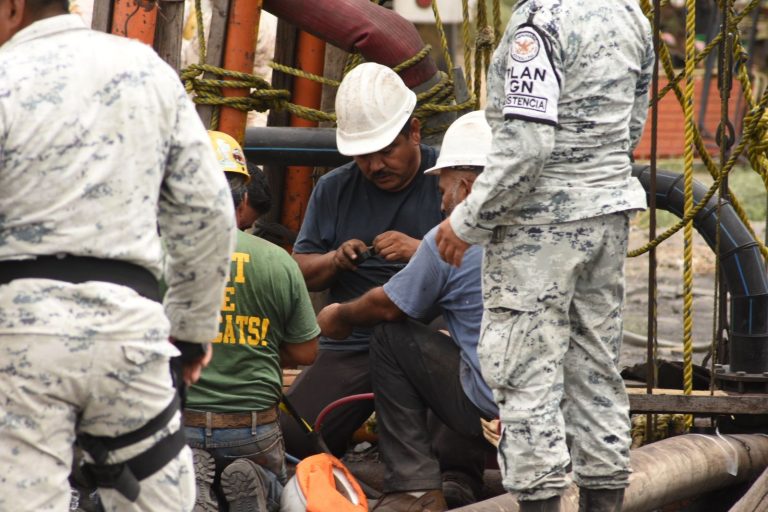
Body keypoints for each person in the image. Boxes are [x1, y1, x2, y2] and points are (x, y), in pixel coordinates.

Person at [0, 1, 236, 511]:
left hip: (18, 342)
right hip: (130, 335)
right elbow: (210, 212)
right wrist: (191, 335)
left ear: (13, 7)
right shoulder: (147, 71)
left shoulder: (4, 76)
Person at [435, 2, 654, 511]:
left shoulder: (541, 21)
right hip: (606, 214)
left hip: (540, 229)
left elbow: (527, 143)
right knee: (596, 372)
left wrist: (466, 221)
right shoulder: (630, 16)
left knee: (524, 373)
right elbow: (632, 127)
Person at [317, 111, 499, 512]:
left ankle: (414, 487)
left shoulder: (452, 238)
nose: (441, 203)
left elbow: (385, 307)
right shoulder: (554, 229)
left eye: (444, 191)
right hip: (564, 404)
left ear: (467, 189)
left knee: (391, 337)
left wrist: (338, 316)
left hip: (495, 408)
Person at [281, 62, 443, 460]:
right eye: (362, 156)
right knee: (294, 437)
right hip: (353, 341)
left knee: (458, 420)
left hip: (433, 337)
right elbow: (300, 271)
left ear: (415, 132)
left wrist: (422, 252)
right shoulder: (333, 189)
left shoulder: (449, 178)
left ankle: (455, 479)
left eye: (386, 151)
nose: (374, 166)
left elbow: (484, 263)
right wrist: (336, 260)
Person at [184, 132, 320, 512]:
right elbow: (307, 352)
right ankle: (256, 478)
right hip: (251, 427)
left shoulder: (154, 255)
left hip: (181, 422)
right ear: (243, 198)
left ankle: (193, 483)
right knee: (277, 492)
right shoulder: (277, 260)